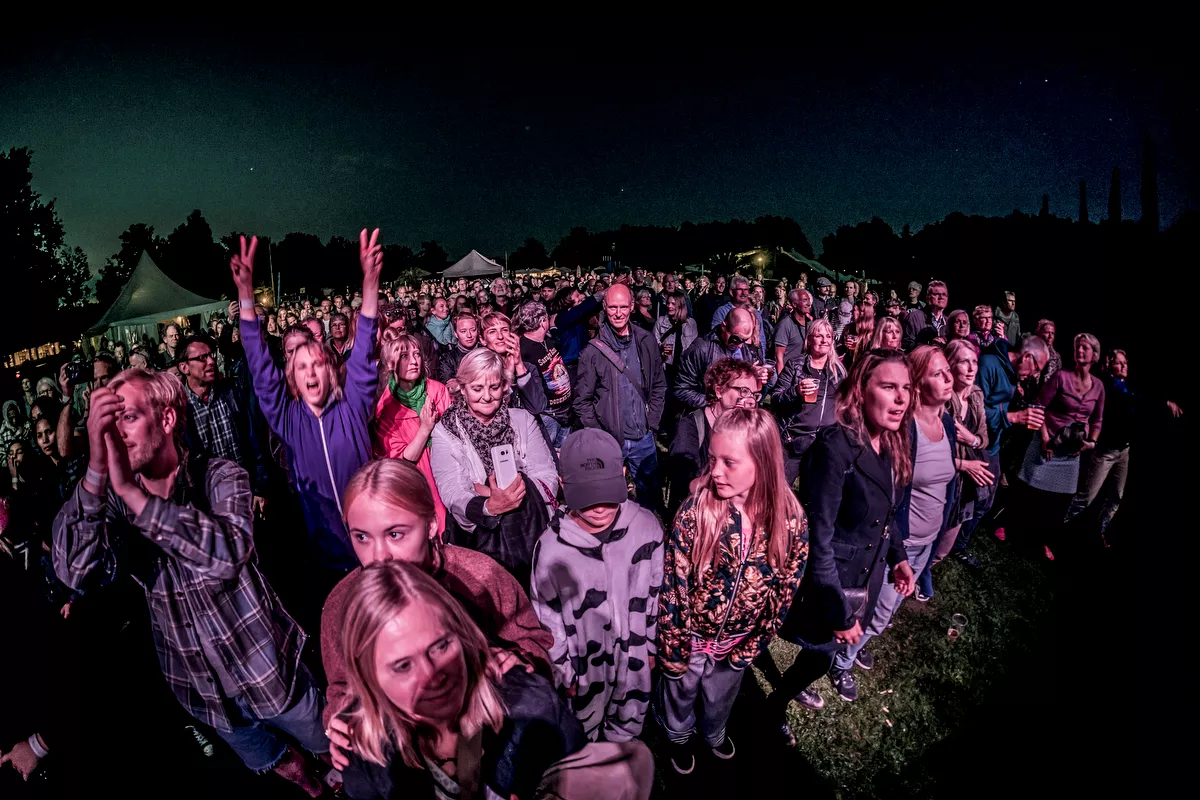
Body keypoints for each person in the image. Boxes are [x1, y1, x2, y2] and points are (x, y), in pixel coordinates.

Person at [51, 368, 329, 795]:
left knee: (334, 746)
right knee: (285, 767)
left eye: (128, 418)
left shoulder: (219, 476)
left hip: (268, 671)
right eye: (109, 423)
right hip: (202, 691)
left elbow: (228, 554)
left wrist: (135, 497)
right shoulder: (116, 507)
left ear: (165, 419)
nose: (116, 434)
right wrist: (95, 471)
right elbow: (73, 570)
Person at [320, 459, 554, 770]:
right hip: (411, 764)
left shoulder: (480, 577)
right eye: (362, 537)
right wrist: (341, 719)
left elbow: (534, 642)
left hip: (492, 745)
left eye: (395, 534)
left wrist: (516, 662)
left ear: (431, 524)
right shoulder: (342, 605)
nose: (379, 557)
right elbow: (341, 685)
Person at [334, 562, 636, 800]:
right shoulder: (359, 746)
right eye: (403, 665)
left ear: (462, 637)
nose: (433, 676)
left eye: (441, 646)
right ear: (368, 677)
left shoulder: (531, 705)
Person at [656, 408, 808, 774]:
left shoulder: (791, 521)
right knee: (680, 691)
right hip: (691, 636)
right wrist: (674, 646)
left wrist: (751, 646)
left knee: (721, 694)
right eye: (712, 459)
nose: (715, 472)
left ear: (762, 462)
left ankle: (713, 732)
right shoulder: (696, 512)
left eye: (729, 462)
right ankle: (677, 736)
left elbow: (784, 592)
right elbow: (673, 584)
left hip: (738, 640)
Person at [769, 350, 913, 733]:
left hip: (862, 580)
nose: (901, 398)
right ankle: (759, 699)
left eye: (906, 388)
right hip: (829, 585)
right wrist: (840, 613)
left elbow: (886, 513)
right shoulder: (834, 449)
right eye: (889, 387)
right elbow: (819, 541)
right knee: (806, 647)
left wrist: (898, 556)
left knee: (820, 658)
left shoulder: (892, 444)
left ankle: (779, 697)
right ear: (862, 390)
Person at [236, 231, 381, 572]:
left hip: (374, 545)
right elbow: (258, 361)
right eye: (301, 366)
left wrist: (370, 282)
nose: (311, 372)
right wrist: (245, 293)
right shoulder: (288, 420)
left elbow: (364, 345)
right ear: (292, 376)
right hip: (326, 555)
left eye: (317, 363)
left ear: (330, 370)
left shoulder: (353, 406)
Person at [828, 346, 961, 695]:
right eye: (937, 373)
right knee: (873, 614)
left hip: (922, 541)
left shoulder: (943, 423)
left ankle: (850, 647)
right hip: (893, 540)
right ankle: (841, 661)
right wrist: (896, 548)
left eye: (904, 388)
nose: (949, 378)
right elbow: (885, 499)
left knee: (882, 612)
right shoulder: (899, 430)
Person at [530, 429, 664, 743]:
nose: (600, 508)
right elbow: (547, 620)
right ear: (563, 485)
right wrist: (563, 671)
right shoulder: (550, 550)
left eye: (607, 493)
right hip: (583, 674)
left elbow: (655, 594)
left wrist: (651, 646)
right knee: (582, 736)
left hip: (633, 665)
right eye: (588, 497)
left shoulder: (647, 529)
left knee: (626, 731)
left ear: (623, 475)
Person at [430, 348, 558, 589]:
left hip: (532, 534)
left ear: (504, 386)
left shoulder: (523, 420)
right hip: (481, 545)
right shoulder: (445, 432)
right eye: (477, 388)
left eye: (494, 387)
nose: (487, 396)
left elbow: (546, 475)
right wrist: (489, 505)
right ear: (462, 388)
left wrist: (502, 492)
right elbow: (454, 492)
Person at [951, 333, 1049, 567]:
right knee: (973, 497)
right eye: (1037, 368)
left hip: (992, 442)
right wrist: (1013, 417)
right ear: (1026, 356)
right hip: (975, 439)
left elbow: (999, 403)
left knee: (985, 500)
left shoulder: (1011, 372)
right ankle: (952, 543)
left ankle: (957, 543)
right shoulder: (989, 365)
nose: (1035, 375)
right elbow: (975, 409)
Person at [573, 284, 667, 512]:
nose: (618, 313)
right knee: (608, 502)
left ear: (632, 307)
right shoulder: (592, 352)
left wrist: (652, 422)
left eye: (623, 307)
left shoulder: (646, 340)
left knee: (650, 502)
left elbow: (658, 384)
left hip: (643, 438)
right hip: (611, 442)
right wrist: (600, 435)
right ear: (604, 307)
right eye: (613, 307)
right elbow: (582, 402)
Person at [1014, 333, 1105, 560]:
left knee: (1059, 501)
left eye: (1085, 347)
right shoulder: (1061, 376)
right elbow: (1039, 406)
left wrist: (1091, 442)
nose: (1079, 350)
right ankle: (1011, 527)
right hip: (1047, 440)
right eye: (1077, 347)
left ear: (1094, 355)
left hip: (1070, 451)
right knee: (1028, 488)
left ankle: (1042, 540)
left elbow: (1097, 420)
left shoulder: (1098, 387)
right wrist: (1044, 438)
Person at [917, 339, 992, 599]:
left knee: (944, 546)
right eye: (964, 362)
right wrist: (965, 464)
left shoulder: (976, 394)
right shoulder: (941, 400)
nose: (971, 368)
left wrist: (971, 440)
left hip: (964, 485)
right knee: (924, 537)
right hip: (941, 479)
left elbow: (984, 438)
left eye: (974, 362)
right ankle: (910, 579)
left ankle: (922, 573)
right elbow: (926, 454)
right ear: (950, 365)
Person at [176, 334, 271, 517]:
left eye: (211, 355)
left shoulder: (230, 392)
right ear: (184, 367)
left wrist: (260, 486)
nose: (211, 361)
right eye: (202, 358)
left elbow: (253, 440)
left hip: (245, 492)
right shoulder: (180, 410)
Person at [373, 333, 452, 533]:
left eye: (417, 354)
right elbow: (399, 464)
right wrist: (425, 429)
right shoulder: (386, 408)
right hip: (416, 486)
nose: (414, 361)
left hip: (447, 478)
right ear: (390, 364)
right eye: (404, 356)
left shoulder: (437, 391)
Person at [665, 359, 759, 518]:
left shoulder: (747, 428)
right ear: (719, 391)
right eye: (743, 391)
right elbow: (683, 480)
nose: (749, 399)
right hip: (698, 514)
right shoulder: (690, 427)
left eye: (753, 394)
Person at [771, 319, 847, 485]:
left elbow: (845, 404)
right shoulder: (795, 365)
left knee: (814, 493)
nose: (824, 340)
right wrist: (796, 391)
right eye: (819, 336)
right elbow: (776, 399)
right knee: (781, 489)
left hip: (824, 443)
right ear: (809, 339)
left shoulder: (838, 371)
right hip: (794, 440)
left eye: (828, 336)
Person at [673, 307, 768, 412]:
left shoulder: (745, 350)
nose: (740, 345)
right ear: (724, 326)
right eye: (736, 339)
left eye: (745, 340)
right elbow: (681, 390)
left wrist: (754, 377)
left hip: (738, 417)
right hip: (711, 416)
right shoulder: (701, 349)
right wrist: (715, 403)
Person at [513, 301, 574, 449]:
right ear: (542, 322)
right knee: (548, 453)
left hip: (566, 410)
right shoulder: (523, 349)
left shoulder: (547, 340)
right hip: (548, 415)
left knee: (564, 453)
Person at [480, 312, 549, 418]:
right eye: (492, 331)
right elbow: (493, 411)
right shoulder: (481, 372)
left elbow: (538, 407)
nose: (500, 336)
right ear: (482, 340)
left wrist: (519, 365)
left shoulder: (528, 368)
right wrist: (508, 375)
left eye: (504, 330)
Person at [711, 276, 767, 352]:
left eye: (746, 290)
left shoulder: (755, 314)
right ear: (731, 292)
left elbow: (761, 340)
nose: (743, 293)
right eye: (740, 290)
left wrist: (761, 357)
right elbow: (715, 340)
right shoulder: (722, 312)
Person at [652, 289, 698, 377]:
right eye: (668, 303)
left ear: (680, 305)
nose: (669, 306)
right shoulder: (661, 322)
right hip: (666, 365)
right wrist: (661, 347)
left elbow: (695, 346)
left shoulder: (691, 323)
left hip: (685, 367)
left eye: (673, 304)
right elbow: (653, 341)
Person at [773, 288, 812, 376]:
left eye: (809, 300)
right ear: (794, 304)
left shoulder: (810, 323)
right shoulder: (785, 324)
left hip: (803, 373)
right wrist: (782, 379)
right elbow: (779, 356)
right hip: (788, 373)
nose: (809, 304)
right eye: (805, 300)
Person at [901, 280, 948, 349]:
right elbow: (906, 345)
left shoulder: (949, 322)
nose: (941, 297)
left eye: (944, 294)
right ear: (928, 297)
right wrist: (928, 346)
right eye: (936, 294)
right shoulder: (913, 317)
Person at [436, 312, 480, 384]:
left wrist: (460, 382)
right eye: (463, 331)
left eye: (473, 330)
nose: (469, 335)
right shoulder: (447, 359)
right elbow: (449, 386)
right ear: (456, 334)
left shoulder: (487, 353)